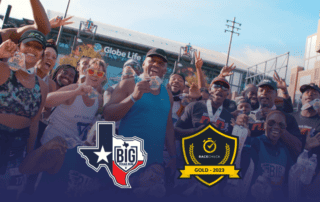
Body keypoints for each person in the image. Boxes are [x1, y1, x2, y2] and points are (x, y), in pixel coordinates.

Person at [103, 48, 176, 174]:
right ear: (143, 64)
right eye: (152, 60)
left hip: (154, 165)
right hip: (126, 163)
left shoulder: (168, 95)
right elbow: (108, 115)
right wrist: (133, 97)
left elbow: (168, 127)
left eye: (161, 63)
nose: (156, 65)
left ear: (165, 70)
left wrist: (173, 156)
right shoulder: (129, 84)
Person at [0, 30, 48, 199]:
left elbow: (34, 124)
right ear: (19, 47)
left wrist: (28, 157)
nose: (32, 49)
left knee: (9, 194)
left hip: (18, 147)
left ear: (42, 54)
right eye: (28, 44)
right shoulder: (4, 69)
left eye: (38, 47)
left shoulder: (42, 85)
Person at [41, 58, 106, 148]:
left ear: (103, 78)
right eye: (91, 71)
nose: (95, 75)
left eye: (99, 73)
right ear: (86, 72)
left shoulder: (98, 99)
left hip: (70, 152)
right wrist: (75, 92)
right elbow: (46, 101)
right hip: (48, 146)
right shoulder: (74, 88)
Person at [246, 111, 293, 201]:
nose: (276, 127)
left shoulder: (284, 150)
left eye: (281, 125)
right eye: (271, 123)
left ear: (284, 129)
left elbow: (290, 180)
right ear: (264, 125)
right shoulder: (254, 143)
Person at [248, 79, 302, 158]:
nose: (264, 93)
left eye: (269, 91)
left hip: (278, 164)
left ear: (276, 94)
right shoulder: (249, 116)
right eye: (261, 90)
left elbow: (297, 148)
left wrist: (276, 120)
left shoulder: (287, 118)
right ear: (257, 94)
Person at [290, 83, 320, 199]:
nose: (310, 94)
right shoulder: (290, 117)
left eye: (314, 92)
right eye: (306, 92)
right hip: (289, 171)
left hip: (311, 175)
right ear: (301, 98)